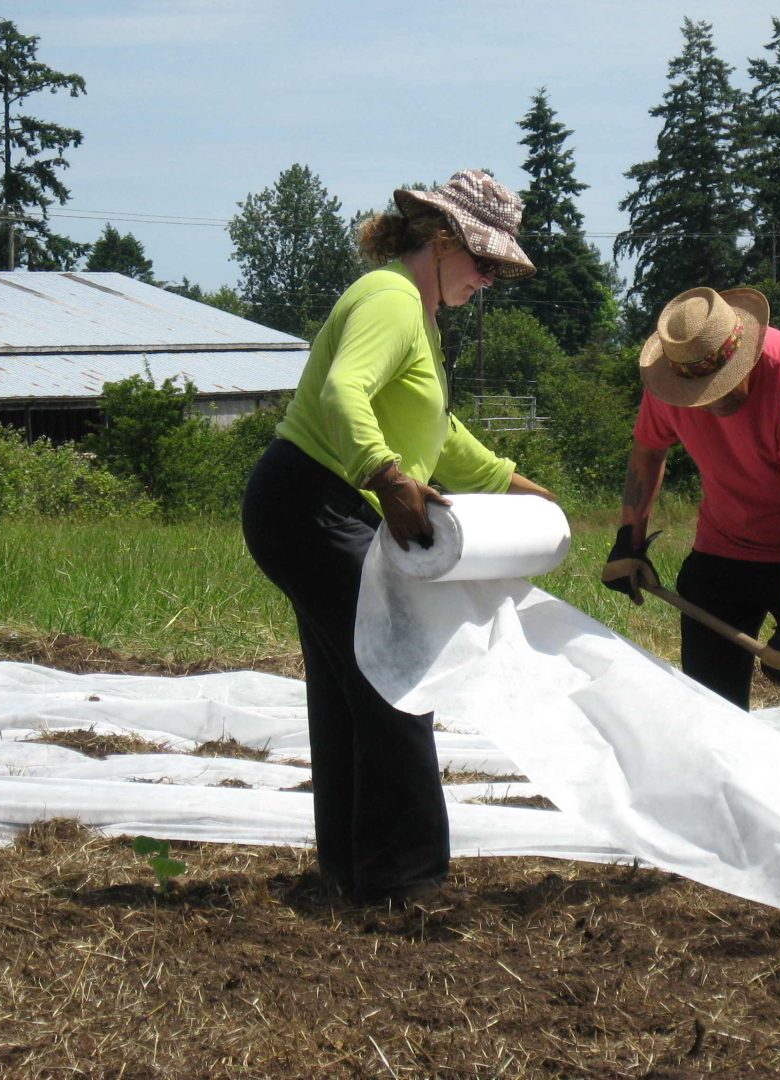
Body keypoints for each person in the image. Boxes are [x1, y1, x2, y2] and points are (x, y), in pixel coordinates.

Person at [242, 169, 554, 906]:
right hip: (314, 501)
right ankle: (406, 880)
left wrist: (511, 481)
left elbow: (437, 431)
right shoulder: (388, 298)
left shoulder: (418, 315)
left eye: (497, 273)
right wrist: (384, 474)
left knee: (355, 685)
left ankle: (356, 870)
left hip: (315, 504)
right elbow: (341, 391)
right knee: (399, 675)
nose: (486, 281)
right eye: (483, 264)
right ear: (443, 241)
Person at [602, 286, 780, 791]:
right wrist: (630, 541)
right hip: (726, 548)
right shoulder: (672, 379)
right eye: (698, 394)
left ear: (744, 359)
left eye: (719, 388)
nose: (708, 406)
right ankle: (728, 837)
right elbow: (647, 453)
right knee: (711, 712)